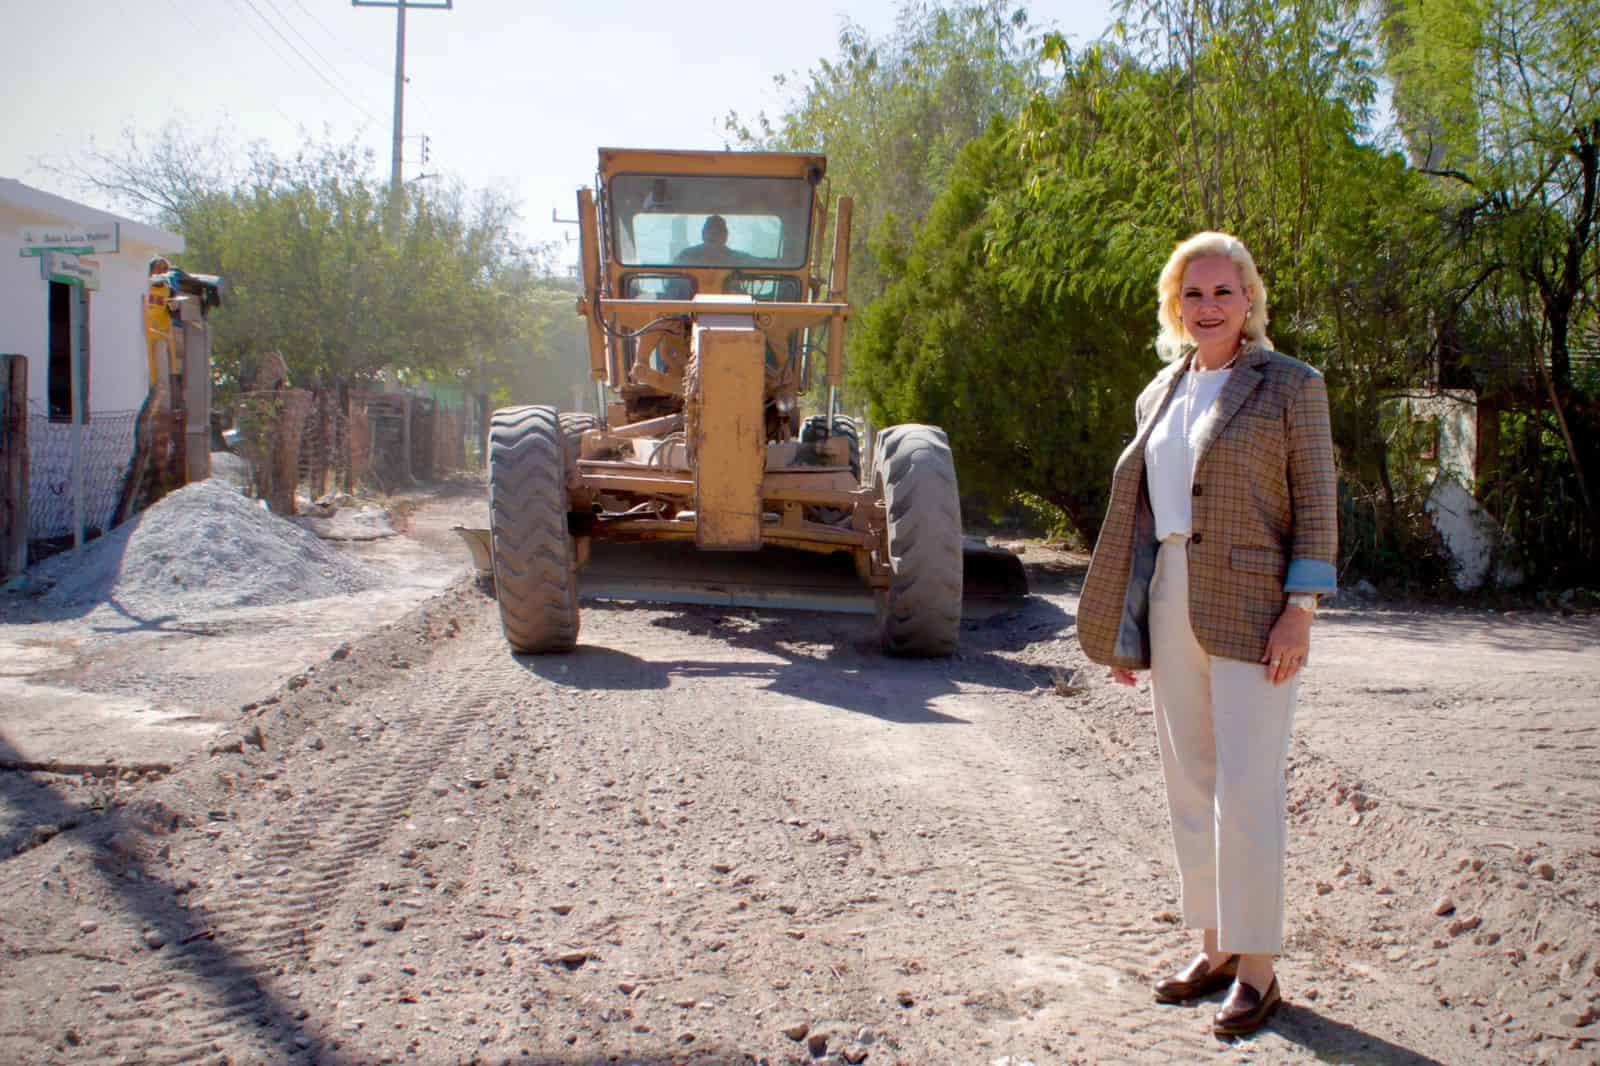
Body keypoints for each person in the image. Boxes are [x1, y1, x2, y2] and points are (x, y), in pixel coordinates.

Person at [1076, 231, 1337, 1038]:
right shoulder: (1158, 391)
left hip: (1259, 608)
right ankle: (1215, 946)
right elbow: (1145, 518)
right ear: (1174, 306)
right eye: (1194, 294)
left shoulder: (1293, 385)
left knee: (1249, 787)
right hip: (1169, 598)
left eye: (1225, 292)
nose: (1210, 306)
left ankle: (1259, 971)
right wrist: (1127, 623)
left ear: (1250, 300)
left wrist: (1303, 607)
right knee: (1189, 783)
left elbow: (1319, 505)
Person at [674, 214, 759, 267]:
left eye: (717, 231)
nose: (713, 233)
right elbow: (763, 263)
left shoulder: (685, 255)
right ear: (725, 236)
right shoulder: (738, 258)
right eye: (711, 230)